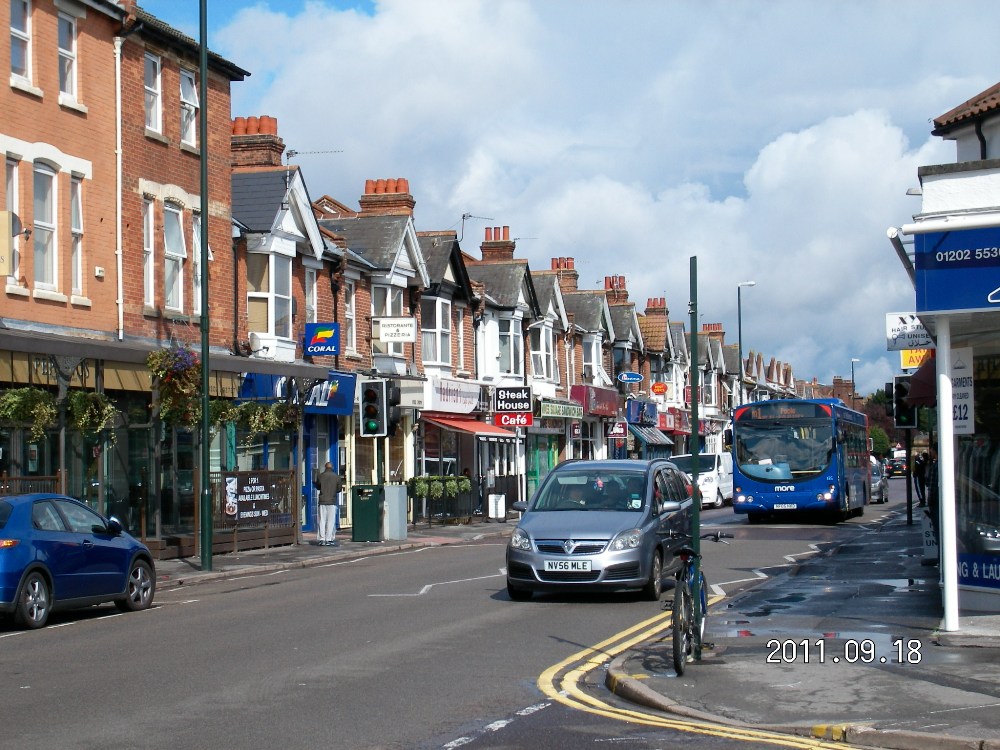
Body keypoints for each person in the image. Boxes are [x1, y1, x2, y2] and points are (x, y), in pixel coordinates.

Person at [314, 461, 342, 546]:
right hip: (332, 501)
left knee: (322, 520)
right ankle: (328, 539)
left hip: (322, 501)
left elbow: (318, 486)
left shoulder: (321, 476)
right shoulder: (336, 477)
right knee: (331, 521)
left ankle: (322, 539)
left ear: (325, 467)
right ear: (332, 467)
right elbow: (339, 489)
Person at [925, 444, 939, 549]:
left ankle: (940, 557)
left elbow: (932, 486)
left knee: (938, 530)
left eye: (931, 450)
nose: (930, 452)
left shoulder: (936, 466)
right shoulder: (938, 464)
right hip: (938, 501)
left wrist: (929, 501)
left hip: (936, 502)